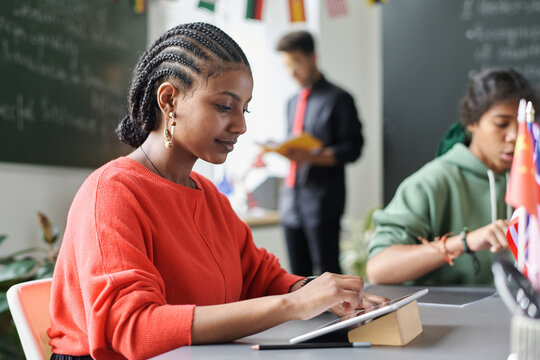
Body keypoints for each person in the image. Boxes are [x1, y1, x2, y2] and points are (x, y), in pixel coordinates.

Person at [47, 23, 383, 360]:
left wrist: (322, 292)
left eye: (244, 108)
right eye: (225, 106)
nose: (241, 125)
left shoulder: (207, 195)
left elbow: (261, 278)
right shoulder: (112, 192)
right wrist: (293, 305)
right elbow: (133, 327)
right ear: (169, 100)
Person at [367, 68, 538, 286]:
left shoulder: (532, 180)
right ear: (472, 122)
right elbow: (379, 269)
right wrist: (464, 242)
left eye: (523, 125)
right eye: (501, 124)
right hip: (449, 317)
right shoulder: (431, 182)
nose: (514, 136)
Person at [276, 30, 364, 277]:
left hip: (323, 202)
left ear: (312, 58)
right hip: (291, 201)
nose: (292, 72)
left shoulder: (339, 99)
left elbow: (353, 149)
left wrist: (312, 157)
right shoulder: (292, 101)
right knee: (297, 278)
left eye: (296, 63)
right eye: (287, 66)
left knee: (328, 276)